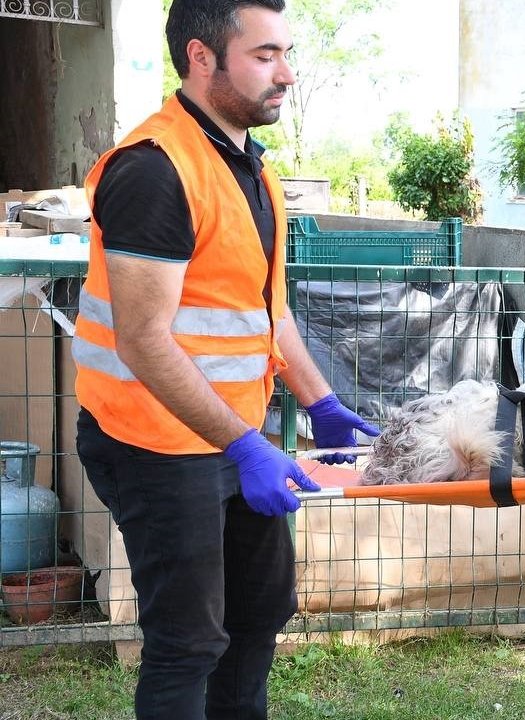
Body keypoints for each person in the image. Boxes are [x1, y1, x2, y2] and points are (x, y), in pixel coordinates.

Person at [72, 1, 379, 718]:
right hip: (150, 440)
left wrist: (321, 404)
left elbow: (264, 310)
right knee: (188, 639)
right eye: (266, 55)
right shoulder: (154, 171)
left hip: (231, 439)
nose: (288, 74)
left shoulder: (248, 165)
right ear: (202, 58)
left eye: (286, 53)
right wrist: (246, 447)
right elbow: (143, 338)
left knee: (262, 611)